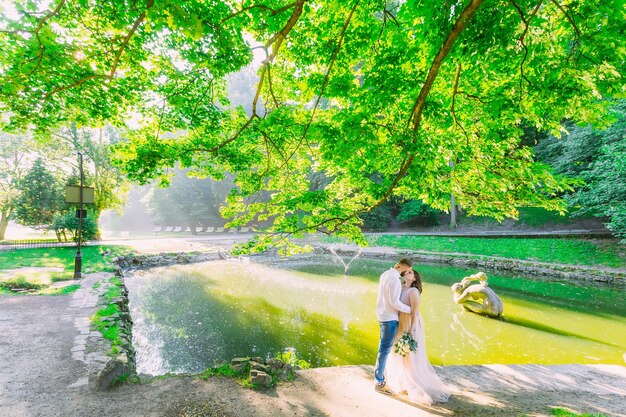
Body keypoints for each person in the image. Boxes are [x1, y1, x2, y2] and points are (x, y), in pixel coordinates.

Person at [384, 268, 450, 405]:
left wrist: (412, 330)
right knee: (399, 351)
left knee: (409, 354)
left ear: (414, 278)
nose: (407, 273)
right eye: (406, 272)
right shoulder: (401, 287)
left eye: (410, 273)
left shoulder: (413, 292)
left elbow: (415, 313)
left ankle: (413, 382)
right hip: (400, 322)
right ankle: (402, 380)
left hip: (410, 323)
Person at [374, 258, 413, 394]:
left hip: (382, 315)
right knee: (384, 350)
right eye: (406, 270)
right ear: (400, 266)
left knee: (383, 349)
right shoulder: (395, 279)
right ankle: (379, 382)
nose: (406, 273)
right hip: (390, 318)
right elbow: (395, 302)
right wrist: (410, 310)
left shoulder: (385, 274)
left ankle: (380, 378)